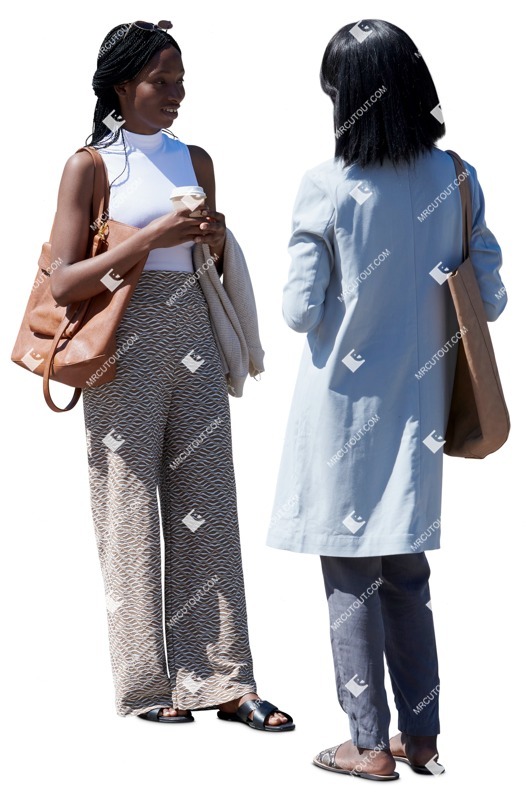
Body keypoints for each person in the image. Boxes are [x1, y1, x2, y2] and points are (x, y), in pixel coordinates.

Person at [267, 19, 506, 778]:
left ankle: (368, 745)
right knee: (407, 575)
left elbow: (299, 310)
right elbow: (491, 298)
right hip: (420, 411)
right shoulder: (458, 178)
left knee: (351, 578)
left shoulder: (326, 184)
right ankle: (422, 737)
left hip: (343, 407)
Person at [49, 19, 293, 731]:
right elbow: (63, 281)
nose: (176, 93)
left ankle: (224, 679)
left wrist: (213, 240)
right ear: (122, 85)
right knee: (128, 512)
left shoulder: (196, 159)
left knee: (209, 508)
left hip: (192, 335)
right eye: (161, 81)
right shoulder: (90, 165)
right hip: (118, 345)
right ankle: (144, 685)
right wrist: (151, 236)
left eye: (181, 80)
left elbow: (206, 261)